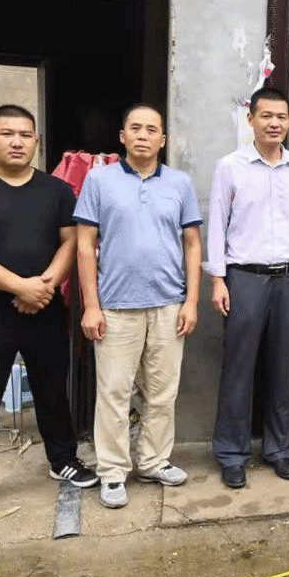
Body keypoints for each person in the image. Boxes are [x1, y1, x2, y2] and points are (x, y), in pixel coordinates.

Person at [0, 104, 97, 522]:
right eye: (7, 134)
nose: (17, 142)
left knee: (52, 391)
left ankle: (63, 460)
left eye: (26, 135)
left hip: (45, 306)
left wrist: (44, 285)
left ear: (36, 142)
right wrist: (19, 286)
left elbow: (71, 242)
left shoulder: (56, 191)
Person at [74, 104, 202, 509]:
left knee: (162, 392)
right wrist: (91, 305)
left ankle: (153, 461)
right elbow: (84, 245)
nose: (143, 135)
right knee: (114, 392)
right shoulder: (99, 180)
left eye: (151, 129)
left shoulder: (179, 183)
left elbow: (192, 244)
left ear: (163, 139)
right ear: (122, 136)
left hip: (168, 304)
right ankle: (113, 471)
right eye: (136, 128)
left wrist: (191, 301)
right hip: (116, 305)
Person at [205, 88, 289, 488]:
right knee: (239, 368)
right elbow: (216, 223)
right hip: (244, 278)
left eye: (281, 117)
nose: (274, 124)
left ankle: (279, 449)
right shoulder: (230, 167)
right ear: (250, 120)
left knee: (280, 367)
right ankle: (232, 454)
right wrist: (218, 279)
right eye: (266, 116)